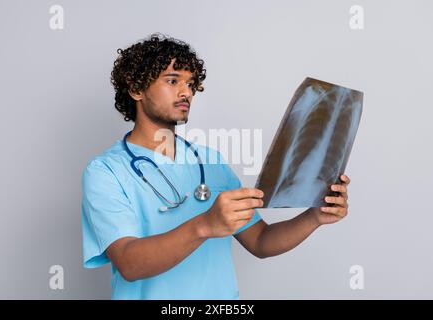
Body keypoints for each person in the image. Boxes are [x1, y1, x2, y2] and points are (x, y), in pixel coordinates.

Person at [81, 34, 351, 300]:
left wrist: (315, 216)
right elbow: (129, 263)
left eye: (191, 83)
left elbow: (260, 241)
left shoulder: (210, 161)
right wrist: (204, 225)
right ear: (136, 89)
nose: (186, 92)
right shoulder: (106, 171)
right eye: (173, 81)